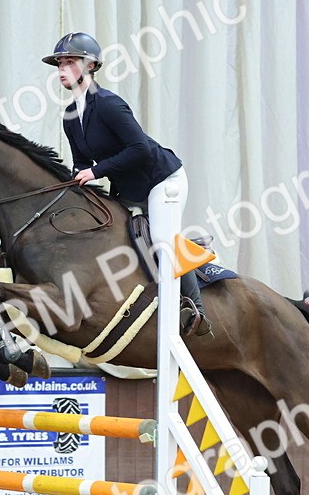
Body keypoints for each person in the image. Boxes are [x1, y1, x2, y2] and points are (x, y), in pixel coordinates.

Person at [42, 32, 212, 338]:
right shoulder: (70, 116)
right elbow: (80, 161)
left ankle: (194, 308)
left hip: (161, 180)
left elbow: (139, 149)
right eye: (59, 64)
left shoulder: (108, 104)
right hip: (128, 187)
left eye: (70, 62)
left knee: (161, 238)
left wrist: (95, 172)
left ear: (91, 66)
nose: (62, 69)